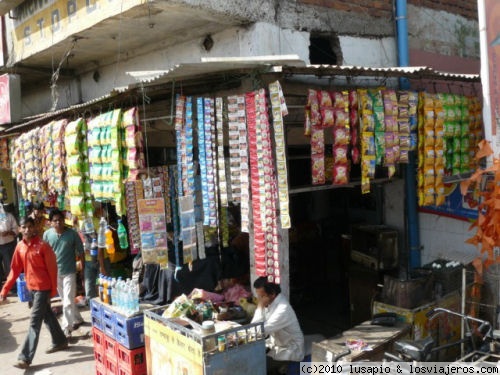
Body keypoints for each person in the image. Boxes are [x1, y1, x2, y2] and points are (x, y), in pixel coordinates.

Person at [0, 216, 68, 369]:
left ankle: (25, 357)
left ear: (35, 228)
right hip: (31, 288)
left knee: (34, 322)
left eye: (30, 227)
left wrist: (52, 290)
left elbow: (52, 269)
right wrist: (5, 289)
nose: (27, 230)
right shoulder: (20, 247)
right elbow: (15, 270)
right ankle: (60, 341)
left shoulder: (43, 246)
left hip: (43, 288)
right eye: (24, 227)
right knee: (47, 316)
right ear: (19, 229)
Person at [43, 209, 85, 337]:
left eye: (60, 220)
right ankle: (77, 318)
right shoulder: (47, 235)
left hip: (69, 272)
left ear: (64, 221)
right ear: (50, 223)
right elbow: (43, 254)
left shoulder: (72, 234)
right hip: (54, 273)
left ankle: (66, 328)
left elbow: (81, 252)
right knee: (67, 299)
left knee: (66, 301)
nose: (58, 223)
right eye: (55, 221)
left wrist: (83, 270)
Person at [251, 276, 305, 375]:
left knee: (255, 366)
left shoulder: (283, 309)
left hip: (290, 349)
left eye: (262, 296)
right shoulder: (271, 303)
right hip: (277, 344)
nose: (259, 299)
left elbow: (256, 331)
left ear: (272, 294)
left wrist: (259, 306)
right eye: (258, 296)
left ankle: (281, 369)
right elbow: (255, 329)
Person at [0, 204, 18, 285]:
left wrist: (9, 232)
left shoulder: (9, 216)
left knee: (10, 267)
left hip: (8, 245)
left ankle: (13, 286)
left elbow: (16, 230)